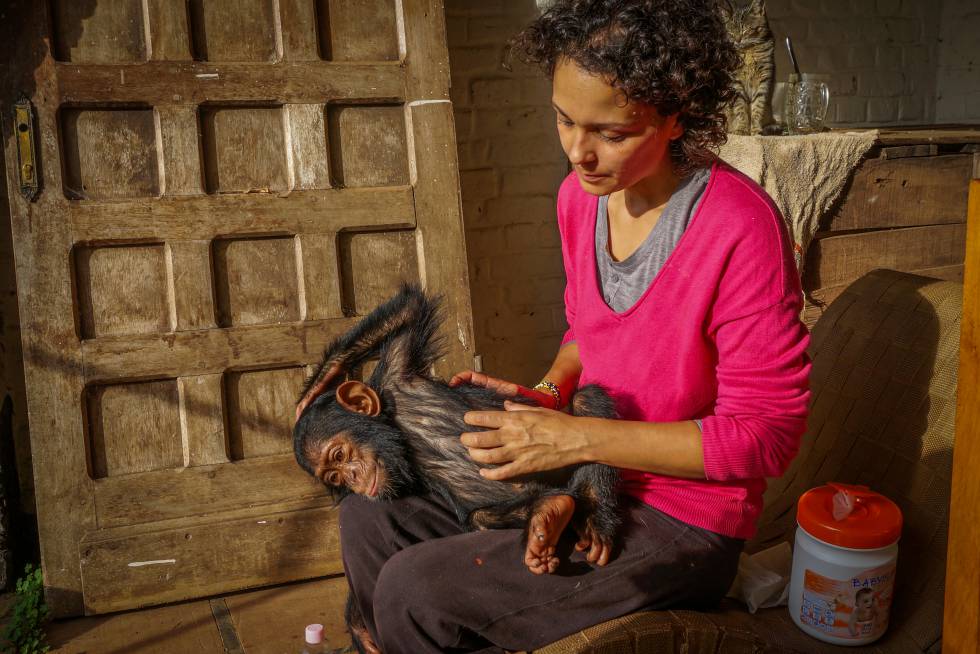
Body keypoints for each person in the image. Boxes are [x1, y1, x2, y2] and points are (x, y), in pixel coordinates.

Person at [338, 1, 811, 652]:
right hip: (581, 474)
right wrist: (548, 396)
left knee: (414, 592)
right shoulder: (578, 200)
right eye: (564, 120)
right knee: (372, 512)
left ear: (676, 115)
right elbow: (587, 331)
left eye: (611, 132)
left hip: (681, 516)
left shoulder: (738, 226)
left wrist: (574, 439)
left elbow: (765, 438)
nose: (579, 152)